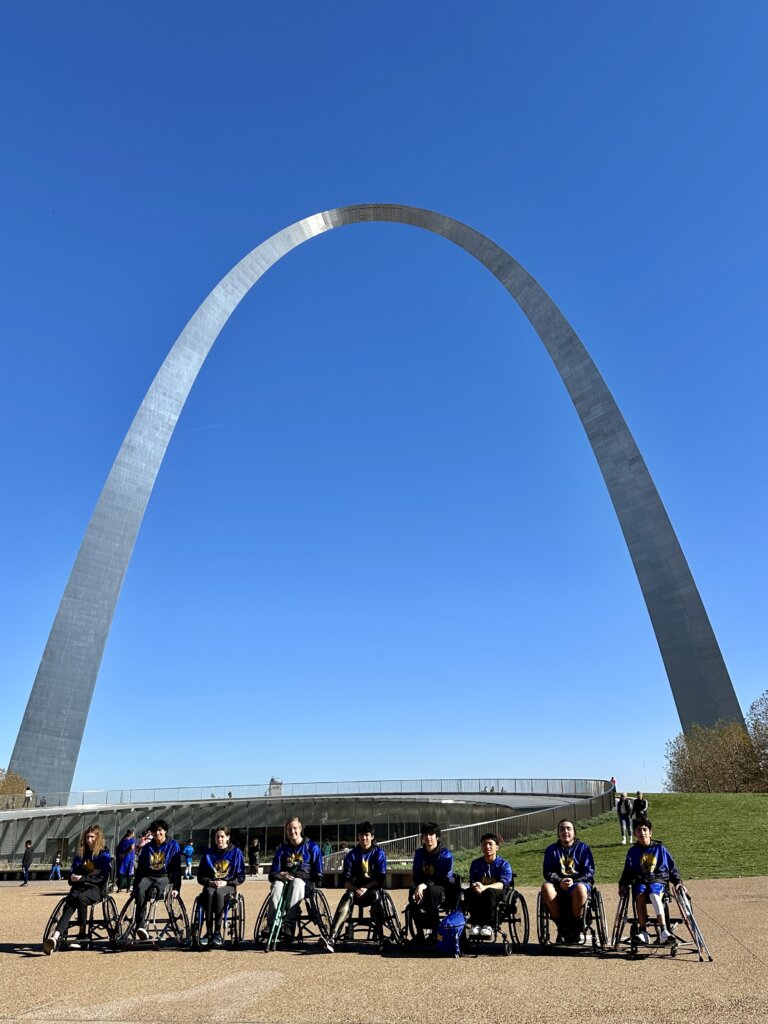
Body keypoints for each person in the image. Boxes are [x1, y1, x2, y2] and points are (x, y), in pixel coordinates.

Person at [43, 825, 112, 954]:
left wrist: (83, 878)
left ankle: (82, 934)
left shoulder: (104, 855)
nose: (89, 840)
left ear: (98, 838)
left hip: (96, 888)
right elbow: (72, 874)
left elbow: (102, 877)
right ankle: (55, 937)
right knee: (70, 902)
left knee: (81, 898)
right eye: (87, 837)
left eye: (92, 837)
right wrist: (74, 877)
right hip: (79, 887)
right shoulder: (81, 855)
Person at [324, 822, 387, 951]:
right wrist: (355, 889)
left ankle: (381, 938)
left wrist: (366, 887)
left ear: (372, 837)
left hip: (372, 890)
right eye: (361, 835)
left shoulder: (379, 853)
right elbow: (345, 881)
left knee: (376, 895)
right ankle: (332, 938)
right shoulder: (352, 855)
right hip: (356, 891)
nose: (364, 838)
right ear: (358, 837)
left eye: (367, 835)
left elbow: (380, 879)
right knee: (347, 896)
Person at [618, 819, 682, 945]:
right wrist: (623, 884)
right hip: (640, 881)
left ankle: (664, 931)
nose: (642, 833)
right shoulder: (632, 851)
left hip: (657, 880)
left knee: (653, 893)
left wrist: (677, 882)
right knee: (639, 895)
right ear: (635, 834)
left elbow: (672, 868)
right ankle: (643, 932)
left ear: (650, 833)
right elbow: (627, 872)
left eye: (645, 830)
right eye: (638, 830)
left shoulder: (660, 849)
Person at [266, 816, 323, 942]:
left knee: (297, 882)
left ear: (300, 828)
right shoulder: (282, 850)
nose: (292, 832)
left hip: (305, 886)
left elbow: (319, 875)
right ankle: (272, 924)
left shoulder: (312, 847)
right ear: (286, 832)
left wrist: (302, 875)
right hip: (285, 884)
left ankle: (289, 924)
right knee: (276, 885)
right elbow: (272, 875)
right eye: (289, 829)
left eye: (295, 828)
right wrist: (280, 875)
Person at [541, 819, 595, 944]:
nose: (565, 831)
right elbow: (547, 871)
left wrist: (574, 880)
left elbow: (589, 871)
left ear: (574, 832)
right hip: (558, 885)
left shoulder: (583, 848)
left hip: (578, 883)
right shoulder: (551, 850)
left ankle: (575, 926)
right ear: (558, 833)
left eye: (568, 828)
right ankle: (562, 927)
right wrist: (559, 881)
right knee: (546, 888)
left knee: (581, 889)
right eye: (562, 829)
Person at [130, 819, 182, 941]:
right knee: (141, 890)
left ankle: (174, 927)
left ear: (165, 831)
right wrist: (135, 886)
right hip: (148, 876)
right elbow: (141, 869)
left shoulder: (173, 845)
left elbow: (176, 869)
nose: (157, 833)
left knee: (158, 890)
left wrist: (176, 887)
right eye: (154, 831)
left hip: (164, 876)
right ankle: (141, 925)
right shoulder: (148, 847)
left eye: (160, 830)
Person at [196, 826, 246, 947]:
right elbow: (200, 876)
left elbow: (240, 876)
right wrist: (210, 882)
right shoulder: (208, 853)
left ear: (227, 837)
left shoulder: (235, 852)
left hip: (228, 885)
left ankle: (217, 931)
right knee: (209, 893)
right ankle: (208, 932)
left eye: (222, 836)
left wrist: (226, 882)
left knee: (219, 893)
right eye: (217, 837)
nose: (220, 839)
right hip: (212, 884)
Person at [408, 823, 456, 942]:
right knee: (412, 895)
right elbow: (416, 874)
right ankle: (419, 934)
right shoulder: (419, 853)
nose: (428, 837)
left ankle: (435, 933)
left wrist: (424, 885)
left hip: (444, 887)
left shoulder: (445, 854)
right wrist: (419, 885)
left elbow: (442, 877)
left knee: (431, 891)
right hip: (424, 887)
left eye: (431, 834)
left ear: (437, 837)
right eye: (425, 835)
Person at [466, 833, 513, 939]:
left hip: (498, 893)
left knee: (489, 892)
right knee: (469, 892)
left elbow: (502, 884)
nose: (487, 847)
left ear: (496, 847)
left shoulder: (504, 864)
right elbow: (473, 880)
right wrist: (476, 886)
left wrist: (485, 887)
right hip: (480, 891)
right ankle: (476, 924)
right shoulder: (476, 864)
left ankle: (489, 925)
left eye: (490, 844)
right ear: (481, 847)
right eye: (484, 844)